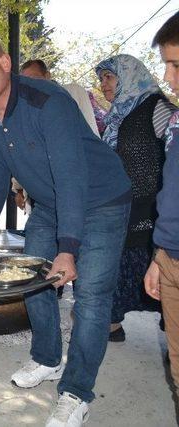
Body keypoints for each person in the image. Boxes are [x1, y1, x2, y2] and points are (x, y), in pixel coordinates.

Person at [0, 34, 131, 427]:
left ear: (5, 64)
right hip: (49, 203)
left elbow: (71, 176)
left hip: (101, 198)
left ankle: (77, 392)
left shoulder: (47, 101)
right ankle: (48, 359)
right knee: (33, 282)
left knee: (92, 298)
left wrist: (68, 248)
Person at [95, 54, 176, 342]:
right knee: (116, 266)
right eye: (101, 78)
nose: (103, 84)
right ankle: (113, 324)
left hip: (153, 211)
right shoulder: (118, 115)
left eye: (108, 76)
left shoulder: (157, 108)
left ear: (128, 76)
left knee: (161, 271)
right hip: (121, 207)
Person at [145, 10, 179, 404]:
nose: (168, 79)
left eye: (176, 64)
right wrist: (160, 256)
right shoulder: (177, 124)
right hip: (170, 258)